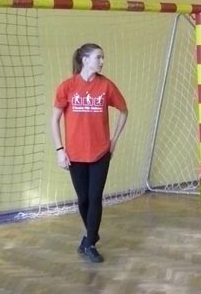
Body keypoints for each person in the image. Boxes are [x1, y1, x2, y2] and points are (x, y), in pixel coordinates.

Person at [51, 43, 128, 263]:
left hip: (100, 153)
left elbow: (124, 111)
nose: (102, 61)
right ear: (85, 60)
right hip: (75, 155)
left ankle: (90, 243)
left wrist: (114, 140)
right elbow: (54, 120)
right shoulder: (67, 87)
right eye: (98, 57)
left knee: (95, 197)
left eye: (103, 57)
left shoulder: (106, 86)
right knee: (83, 199)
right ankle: (91, 235)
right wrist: (60, 150)